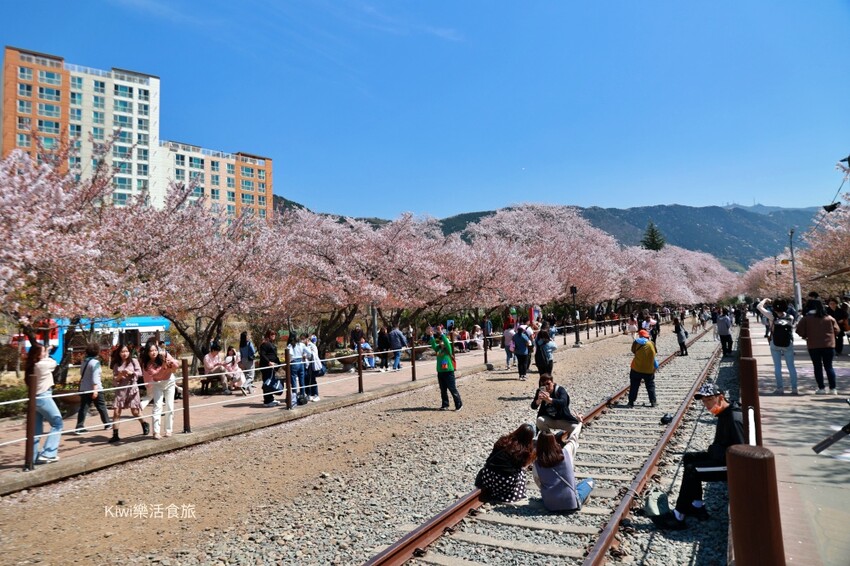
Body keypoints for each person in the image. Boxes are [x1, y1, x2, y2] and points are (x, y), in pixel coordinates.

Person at [651, 382, 745, 529]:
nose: (707, 405)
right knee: (689, 458)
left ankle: (678, 515)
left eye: (709, 400)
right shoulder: (724, 412)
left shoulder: (733, 418)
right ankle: (696, 506)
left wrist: (716, 455)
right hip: (722, 456)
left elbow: (742, 451)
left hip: (732, 465)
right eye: (704, 401)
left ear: (720, 398)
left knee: (692, 470)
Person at [533, 428, 595, 512]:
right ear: (554, 442)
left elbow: (539, 483)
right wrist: (579, 423)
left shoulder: (537, 464)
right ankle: (582, 499)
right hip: (570, 503)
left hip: (550, 505)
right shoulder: (566, 452)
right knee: (590, 481)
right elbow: (574, 437)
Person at [474, 424, 536, 502]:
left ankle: (493, 490)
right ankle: (505, 494)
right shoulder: (524, 450)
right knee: (521, 472)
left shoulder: (503, 440)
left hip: (488, 475)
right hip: (504, 482)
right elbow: (521, 466)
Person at [795, 298, 841, 395]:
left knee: (817, 367)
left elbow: (799, 330)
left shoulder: (806, 318)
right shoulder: (829, 318)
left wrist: (805, 336)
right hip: (829, 345)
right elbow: (837, 330)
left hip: (813, 345)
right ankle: (833, 388)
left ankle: (821, 388)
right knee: (829, 367)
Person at [28, 344, 63, 464]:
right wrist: (49, 352)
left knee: (36, 431)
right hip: (44, 397)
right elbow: (54, 362)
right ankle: (48, 454)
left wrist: (45, 351)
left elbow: (46, 359)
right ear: (38, 355)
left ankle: (32, 458)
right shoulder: (43, 365)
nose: (45, 353)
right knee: (57, 422)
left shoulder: (33, 365)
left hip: (35, 398)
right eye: (43, 351)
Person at [757, 298, 798, 395]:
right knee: (791, 366)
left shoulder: (771, 316)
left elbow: (758, 307)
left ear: (774, 307)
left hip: (775, 343)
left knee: (777, 366)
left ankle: (780, 388)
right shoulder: (790, 317)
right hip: (788, 344)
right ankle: (794, 388)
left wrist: (766, 300)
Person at [140, 341, 179, 439]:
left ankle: (168, 430)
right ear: (147, 353)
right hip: (157, 384)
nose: (153, 352)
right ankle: (156, 432)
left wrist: (171, 363)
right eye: (151, 351)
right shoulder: (147, 364)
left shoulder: (164, 355)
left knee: (170, 406)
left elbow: (176, 365)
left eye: (155, 350)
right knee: (157, 406)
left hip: (169, 382)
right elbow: (157, 375)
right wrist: (164, 366)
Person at [108, 344, 148, 443]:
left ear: (129, 352)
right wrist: (120, 375)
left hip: (132, 389)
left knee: (135, 412)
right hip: (120, 390)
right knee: (116, 412)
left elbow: (140, 373)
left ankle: (144, 423)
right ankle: (115, 435)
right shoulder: (117, 364)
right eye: (122, 352)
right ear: (119, 353)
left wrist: (131, 373)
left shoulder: (134, 361)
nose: (124, 353)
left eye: (126, 351)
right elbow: (114, 380)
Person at [75, 343, 112, 435]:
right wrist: (95, 390)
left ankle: (79, 426)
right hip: (95, 389)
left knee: (83, 408)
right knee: (101, 407)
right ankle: (107, 424)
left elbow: (81, 374)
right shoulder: (95, 363)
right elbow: (95, 377)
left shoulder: (84, 362)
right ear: (97, 352)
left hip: (84, 388)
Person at [428, 326, 462, 411]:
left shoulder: (448, 349)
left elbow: (447, 342)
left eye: (442, 341)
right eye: (440, 341)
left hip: (448, 371)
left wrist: (441, 333)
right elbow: (433, 344)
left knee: (452, 388)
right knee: (443, 389)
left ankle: (459, 404)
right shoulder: (438, 349)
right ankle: (445, 404)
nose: (441, 343)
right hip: (440, 371)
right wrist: (431, 335)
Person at [628, 329, 657, 408]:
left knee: (634, 385)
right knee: (650, 385)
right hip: (648, 369)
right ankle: (653, 401)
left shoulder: (636, 342)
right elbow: (654, 354)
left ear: (640, 336)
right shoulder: (652, 343)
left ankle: (631, 402)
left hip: (636, 368)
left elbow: (633, 351)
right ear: (647, 336)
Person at [258, 330, 282, 407]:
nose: (273, 335)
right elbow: (262, 354)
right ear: (268, 335)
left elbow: (273, 355)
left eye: (274, 334)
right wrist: (269, 362)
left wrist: (279, 363)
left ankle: (270, 398)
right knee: (267, 382)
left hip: (272, 366)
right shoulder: (264, 344)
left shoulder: (271, 343)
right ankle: (267, 400)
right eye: (272, 334)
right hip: (267, 366)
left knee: (270, 382)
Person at [305, 335, 322, 402]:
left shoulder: (312, 346)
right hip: (306, 364)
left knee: (312, 379)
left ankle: (316, 394)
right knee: (306, 379)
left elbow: (315, 355)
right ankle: (308, 394)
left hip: (312, 364)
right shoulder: (304, 346)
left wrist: (307, 356)